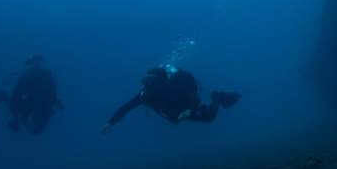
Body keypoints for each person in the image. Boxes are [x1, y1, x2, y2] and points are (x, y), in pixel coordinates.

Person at [102, 66, 240, 132]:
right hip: (175, 113)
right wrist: (111, 122)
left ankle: (217, 97)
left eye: (152, 81)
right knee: (175, 119)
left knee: (210, 117)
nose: (149, 85)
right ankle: (215, 99)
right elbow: (127, 107)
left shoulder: (173, 85)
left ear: (161, 80)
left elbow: (190, 95)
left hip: (185, 106)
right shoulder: (145, 94)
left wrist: (190, 110)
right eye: (147, 82)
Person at [0, 55, 63, 134]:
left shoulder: (37, 75)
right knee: (35, 130)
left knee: (35, 130)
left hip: (34, 104)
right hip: (32, 105)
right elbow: (17, 91)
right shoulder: (43, 76)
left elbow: (16, 91)